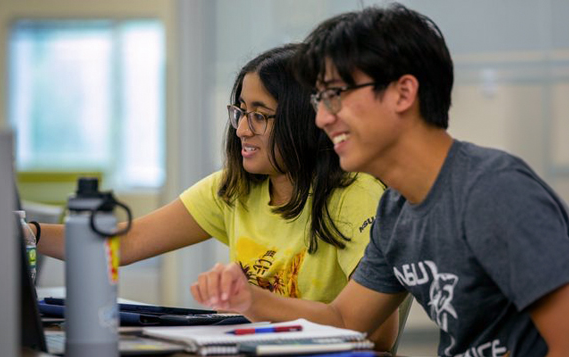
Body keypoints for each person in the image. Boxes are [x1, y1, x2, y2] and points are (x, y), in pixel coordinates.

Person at [190, 4, 569, 356]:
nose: (322, 118)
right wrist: (249, 300)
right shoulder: (396, 210)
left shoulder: (493, 190)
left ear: (403, 93)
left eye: (335, 94)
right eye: (319, 100)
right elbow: (347, 321)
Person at [35, 43, 395, 339]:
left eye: (260, 115)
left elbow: (376, 335)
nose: (241, 130)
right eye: (240, 112)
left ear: (302, 120)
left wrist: (252, 300)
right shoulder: (234, 189)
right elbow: (122, 245)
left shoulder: (354, 195)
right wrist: (30, 233)